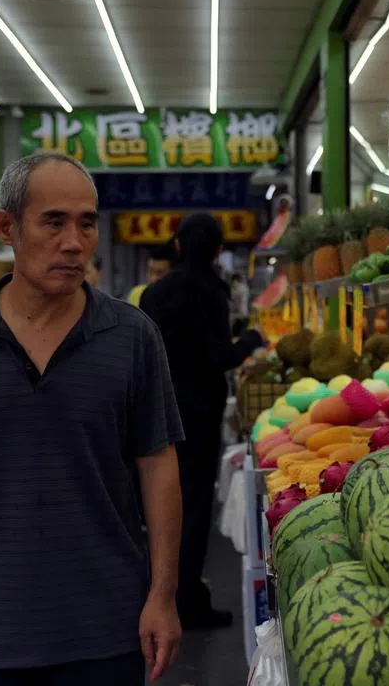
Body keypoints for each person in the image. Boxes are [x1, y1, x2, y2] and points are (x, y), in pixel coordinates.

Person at [0, 153, 184, 686]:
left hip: (106, 628)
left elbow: (158, 465)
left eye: (86, 223)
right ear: (8, 226)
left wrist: (163, 597)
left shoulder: (132, 336)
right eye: (53, 222)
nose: (73, 242)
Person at [139, 214, 264, 629]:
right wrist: (250, 340)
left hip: (158, 406)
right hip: (200, 411)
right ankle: (187, 600)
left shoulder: (155, 295)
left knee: (156, 502)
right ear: (216, 250)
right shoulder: (212, 291)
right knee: (192, 506)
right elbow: (218, 357)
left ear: (177, 247)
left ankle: (157, 593)